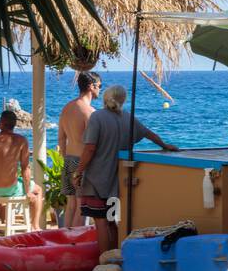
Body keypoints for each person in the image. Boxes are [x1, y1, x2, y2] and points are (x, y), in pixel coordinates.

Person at [74, 83, 177, 254]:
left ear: (106, 98)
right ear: (123, 100)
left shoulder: (97, 117)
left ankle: (104, 260)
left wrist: (78, 171)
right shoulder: (128, 118)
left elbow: (90, 148)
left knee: (100, 222)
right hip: (118, 180)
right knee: (112, 221)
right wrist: (165, 145)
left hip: (96, 179)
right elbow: (148, 133)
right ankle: (116, 257)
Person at [57, 72, 101, 227]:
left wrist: (65, 156)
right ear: (91, 86)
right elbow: (92, 144)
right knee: (81, 206)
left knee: (70, 205)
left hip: (68, 160)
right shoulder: (90, 112)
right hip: (82, 163)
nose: (100, 90)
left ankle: (66, 238)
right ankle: (76, 240)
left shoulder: (67, 108)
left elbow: (61, 138)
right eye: (99, 86)